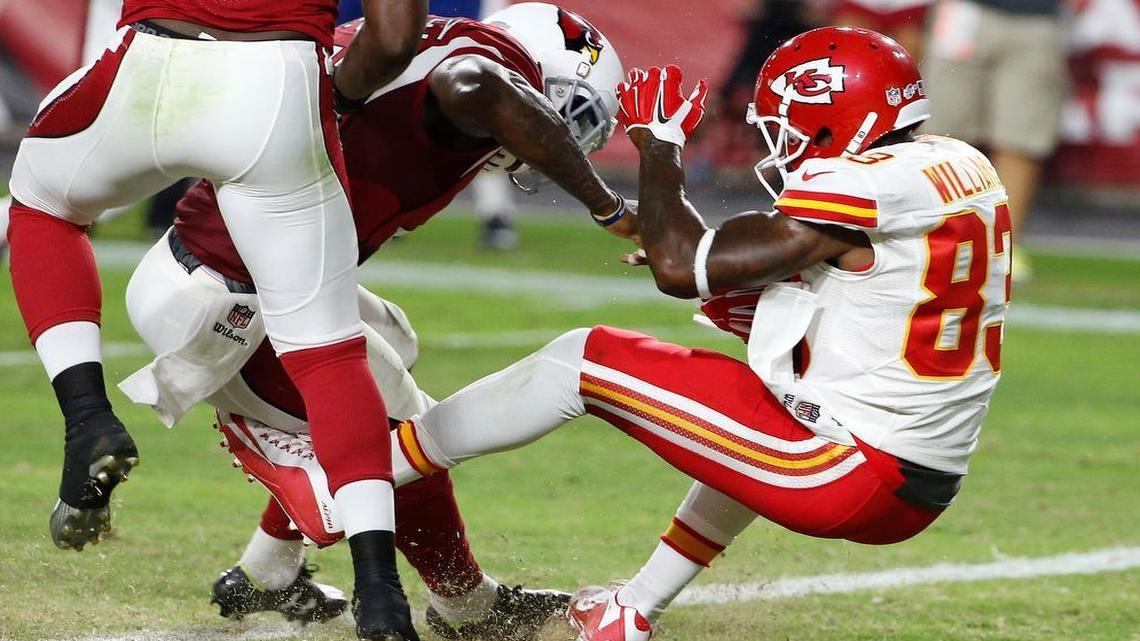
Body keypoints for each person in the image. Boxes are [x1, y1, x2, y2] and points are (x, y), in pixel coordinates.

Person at [227, 26, 1013, 640]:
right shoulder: (958, 166)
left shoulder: (863, 185)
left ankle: (351, 484)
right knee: (749, 401)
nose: (783, 143)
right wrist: (710, 274)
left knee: (587, 358)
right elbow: (806, 287)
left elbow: (680, 265)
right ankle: (629, 610)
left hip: (848, 468)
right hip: (900, 464)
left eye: (791, 124)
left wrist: (658, 145)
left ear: (838, 114)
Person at [121, 4, 631, 638]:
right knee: (401, 438)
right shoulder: (467, 79)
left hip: (223, 273)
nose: (560, 141)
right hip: (228, 302)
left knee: (394, 342)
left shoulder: (431, 48)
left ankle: (265, 572)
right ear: (535, 79)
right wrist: (609, 208)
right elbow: (477, 86)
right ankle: (463, 604)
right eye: (567, 117)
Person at [5, 0, 430, 638]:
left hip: (147, 59)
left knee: (41, 201)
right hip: (273, 81)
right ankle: (380, 589)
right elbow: (395, 40)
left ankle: (87, 419)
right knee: (329, 355)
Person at [922, 0, 1065, 281]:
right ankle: (931, 239)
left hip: (1037, 16)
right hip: (964, 11)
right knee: (938, 140)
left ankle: (1004, 246)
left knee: (1020, 139)